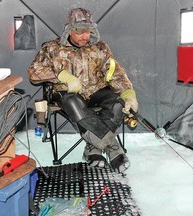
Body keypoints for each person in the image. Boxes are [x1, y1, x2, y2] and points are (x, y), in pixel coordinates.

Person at [27, 8, 138, 173]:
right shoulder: (52, 48)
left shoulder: (100, 48)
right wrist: (62, 76)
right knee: (73, 102)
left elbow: (115, 72)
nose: (85, 36)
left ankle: (93, 148)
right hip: (67, 94)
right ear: (69, 29)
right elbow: (34, 71)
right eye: (80, 32)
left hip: (96, 91)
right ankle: (113, 147)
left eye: (88, 31)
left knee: (118, 104)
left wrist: (129, 93)